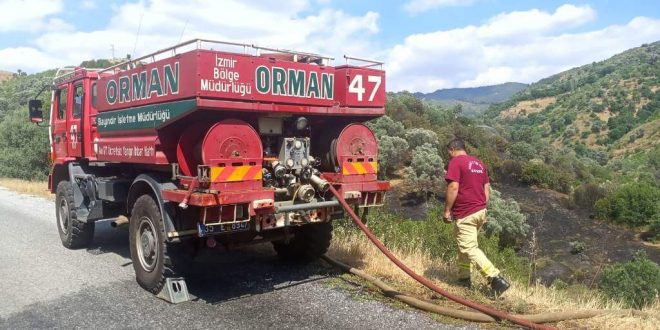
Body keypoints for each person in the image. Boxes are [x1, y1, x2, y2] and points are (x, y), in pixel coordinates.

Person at [443, 138, 510, 296]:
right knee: (464, 246)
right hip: (480, 211)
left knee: (469, 247)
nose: (449, 155)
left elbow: (453, 187)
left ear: (452, 149)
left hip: (467, 213)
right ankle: (464, 278)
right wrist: (482, 207)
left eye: (449, 152)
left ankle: (495, 279)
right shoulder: (479, 163)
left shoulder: (456, 162)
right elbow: (486, 188)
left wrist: (447, 210)